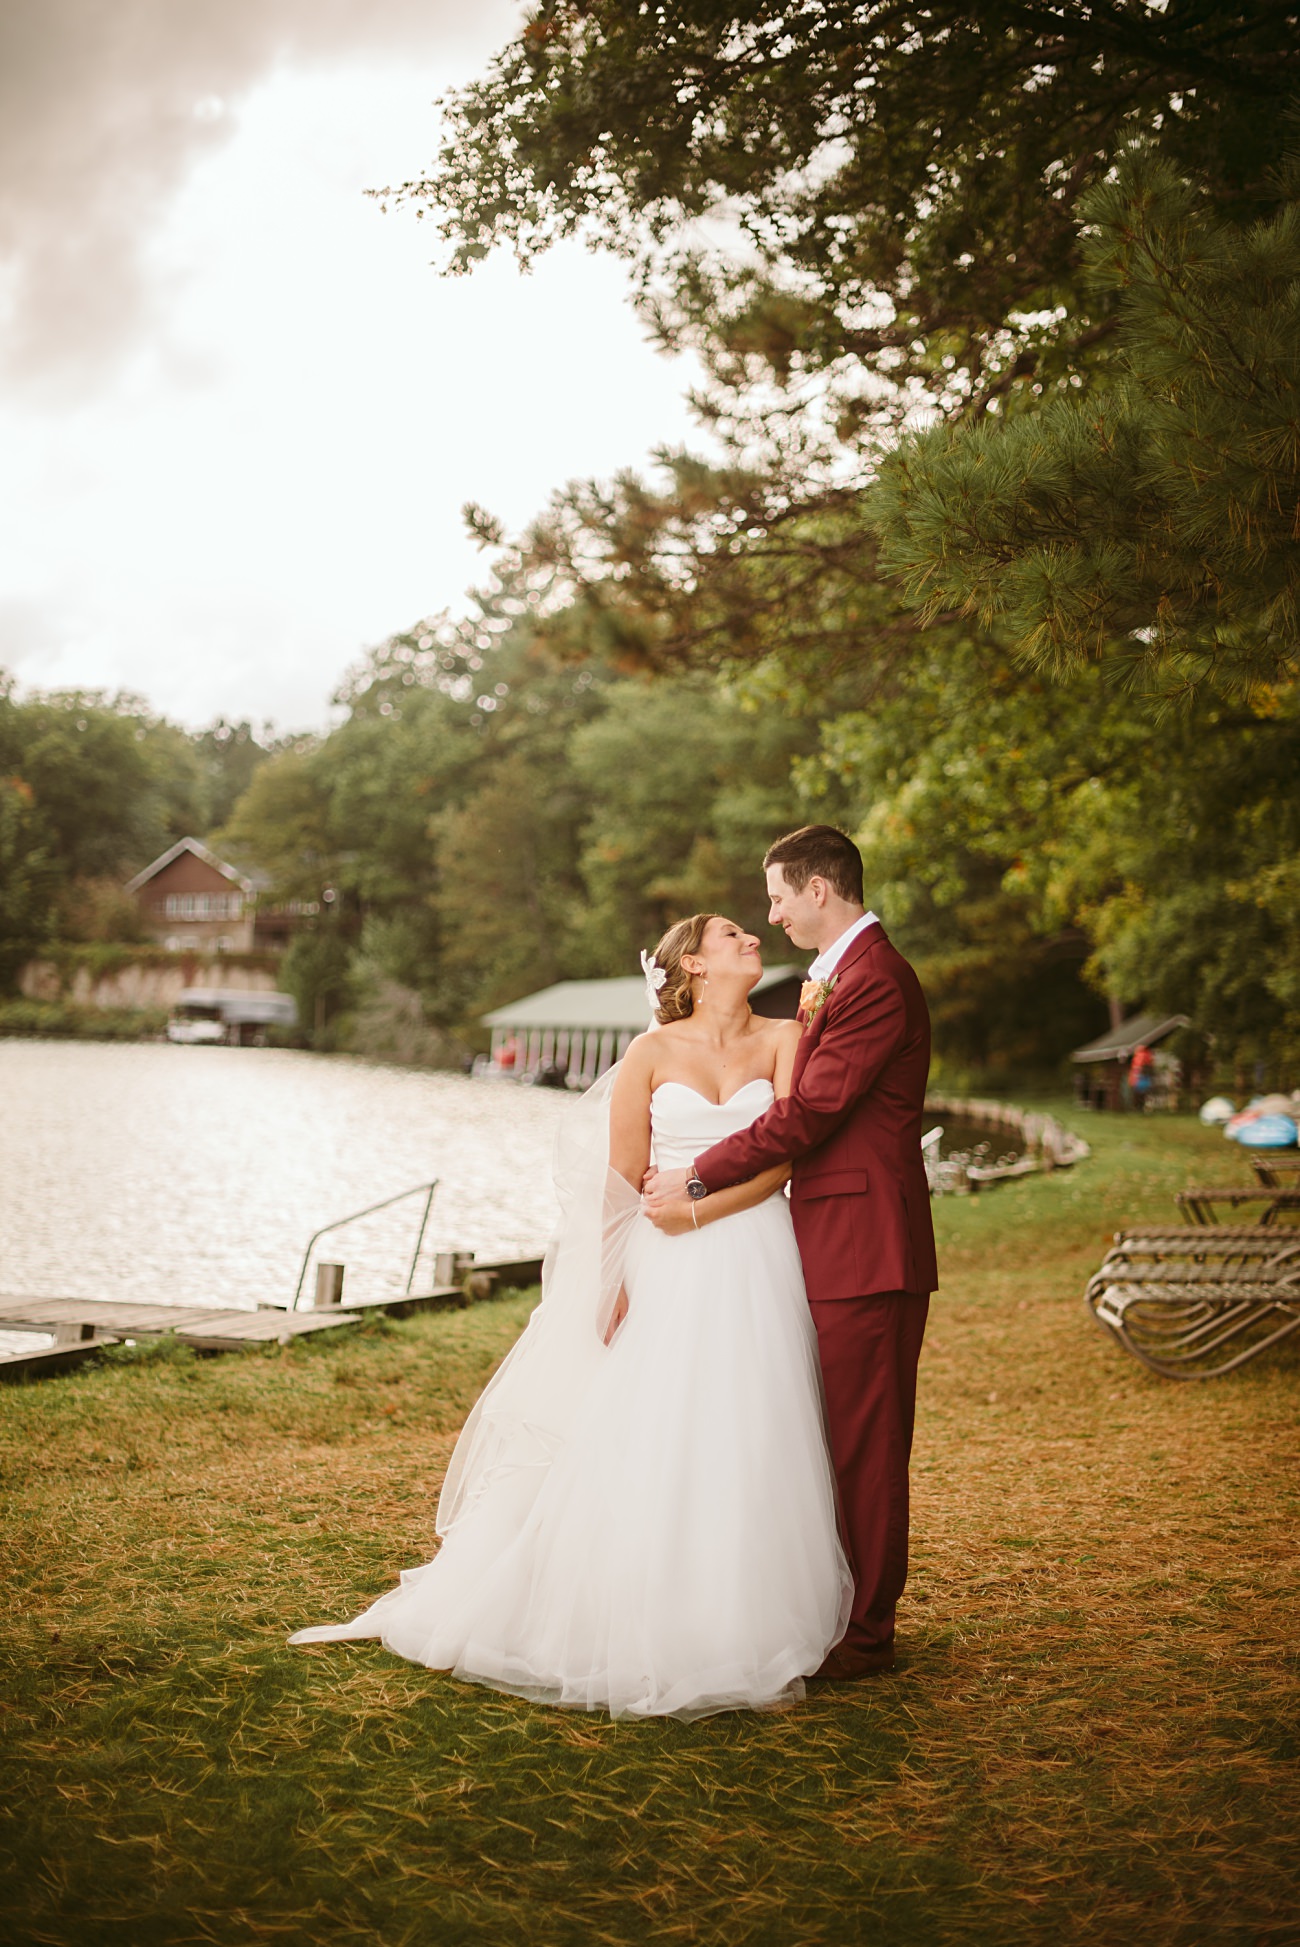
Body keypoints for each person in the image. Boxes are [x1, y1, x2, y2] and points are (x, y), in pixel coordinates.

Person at [289, 912, 852, 1720]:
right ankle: (633, 1605)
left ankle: (739, 1610)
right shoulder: (650, 1055)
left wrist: (698, 1205)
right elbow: (621, 1181)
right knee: (656, 1425)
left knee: (752, 1422)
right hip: (668, 1264)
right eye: (732, 933)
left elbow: (786, 1156)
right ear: (693, 962)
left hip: (755, 1250)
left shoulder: (782, 1038)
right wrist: (609, 1283)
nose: (751, 936)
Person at [644, 825, 937, 1678]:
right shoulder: (837, 976)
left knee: (869, 1441)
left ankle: (868, 1635)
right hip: (829, 1240)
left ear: (819, 889)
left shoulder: (874, 980)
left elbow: (809, 1113)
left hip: (868, 1243)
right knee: (832, 1437)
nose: (770, 915)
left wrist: (699, 1173)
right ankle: (835, 1608)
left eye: (777, 896)